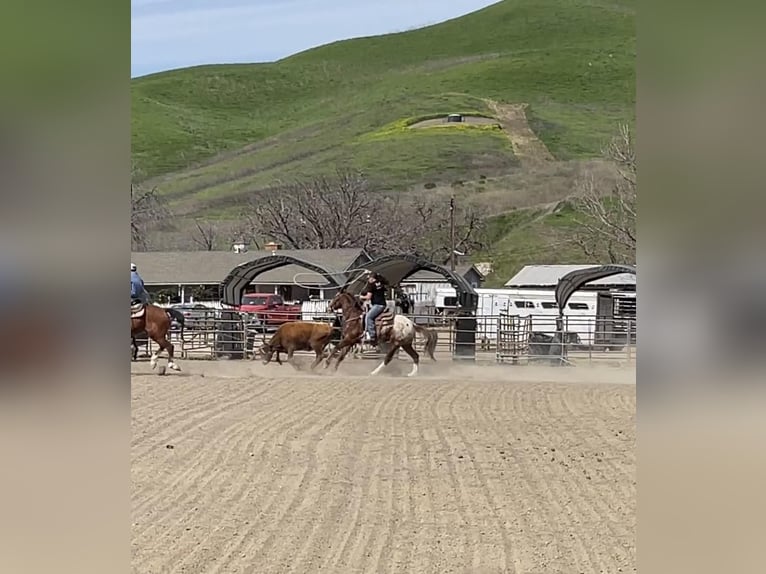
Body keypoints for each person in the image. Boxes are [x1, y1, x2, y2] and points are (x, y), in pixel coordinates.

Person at [361, 272, 388, 344]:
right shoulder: (380, 283)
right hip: (383, 304)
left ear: (372, 279)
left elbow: (368, 297)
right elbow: (385, 280)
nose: (368, 280)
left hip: (377, 305)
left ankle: (372, 336)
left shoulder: (371, 285)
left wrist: (360, 297)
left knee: (368, 317)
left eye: (369, 278)